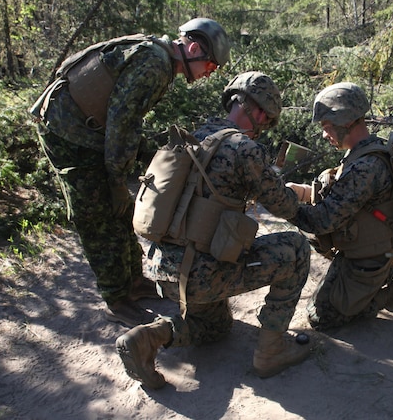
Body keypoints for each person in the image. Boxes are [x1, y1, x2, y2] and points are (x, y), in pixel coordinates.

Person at [115, 71, 312, 390]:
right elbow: (286, 208)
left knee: (216, 328)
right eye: (266, 120)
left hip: (165, 270)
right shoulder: (244, 149)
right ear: (260, 111)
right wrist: (307, 202)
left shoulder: (195, 136)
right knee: (297, 250)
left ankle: (148, 337)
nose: (263, 128)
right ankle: (271, 352)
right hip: (202, 273)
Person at [29, 18, 231, 327]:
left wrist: (147, 154)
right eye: (211, 66)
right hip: (66, 133)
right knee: (97, 215)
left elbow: (124, 122)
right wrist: (116, 179)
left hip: (89, 131)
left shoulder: (158, 58)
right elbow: (121, 125)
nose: (208, 74)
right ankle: (116, 299)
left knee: (119, 211)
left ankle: (134, 283)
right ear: (193, 48)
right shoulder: (155, 64)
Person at [285, 82, 393, 331]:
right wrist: (298, 192)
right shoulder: (364, 152)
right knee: (324, 304)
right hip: (368, 250)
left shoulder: (365, 167)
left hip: (371, 259)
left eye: (327, 127)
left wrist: (283, 205)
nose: (324, 134)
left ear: (346, 123)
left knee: (322, 317)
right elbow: (336, 195)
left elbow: (323, 220)